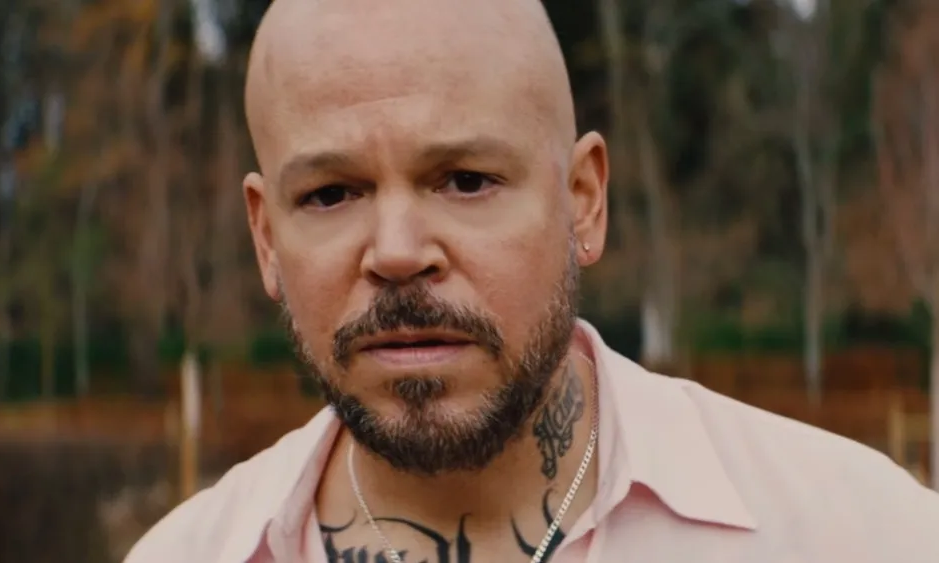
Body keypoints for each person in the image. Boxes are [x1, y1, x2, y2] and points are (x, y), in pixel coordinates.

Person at [125, 0, 939, 561]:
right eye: (331, 194)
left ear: (583, 201)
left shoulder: (861, 534)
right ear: (267, 238)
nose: (398, 252)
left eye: (466, 180)